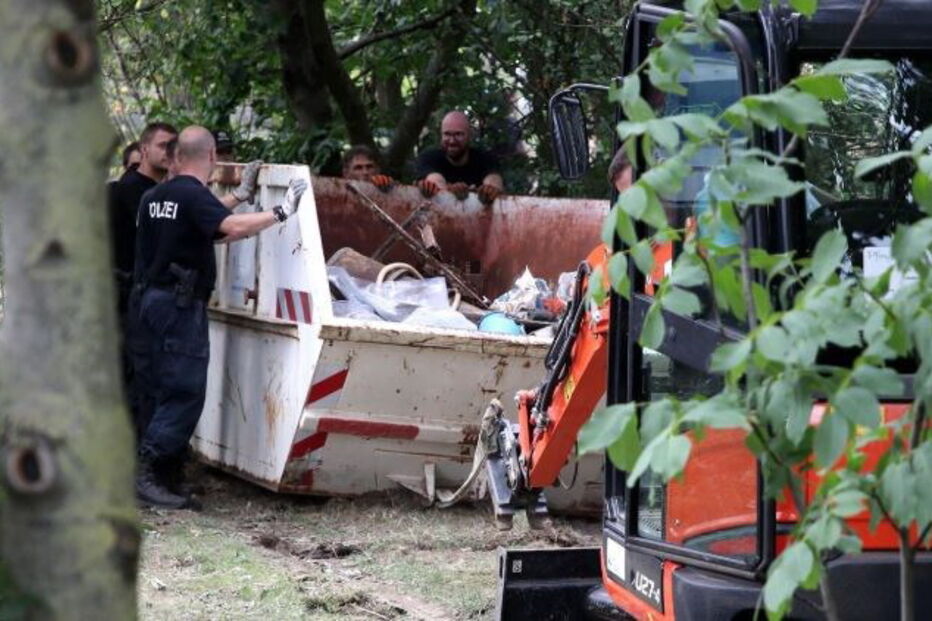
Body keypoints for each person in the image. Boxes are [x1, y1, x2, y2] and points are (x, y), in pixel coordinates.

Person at [130, 125, 307, 509]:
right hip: (179, 308)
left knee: (158, 389)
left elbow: (211, 231)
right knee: (185, 391)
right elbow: (227, 227)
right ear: (211, 157)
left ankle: (164, 479)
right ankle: (147, 473)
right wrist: (280, 211)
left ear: (176, 156)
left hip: (148, 304)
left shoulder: (154, 196)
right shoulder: (193, 195)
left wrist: (239, 198)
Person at [415, 111, 505, 204]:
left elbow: (494, 181)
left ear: (470, 135)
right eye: (447, 134)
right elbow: (434, 181)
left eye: (458, 134)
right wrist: (448, 190)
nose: (452, 141)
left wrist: (489, 191)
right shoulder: (429, 158)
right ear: (441, 135)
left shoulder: (485, 159)